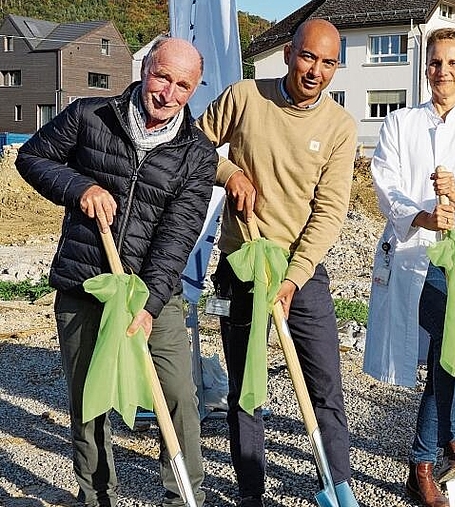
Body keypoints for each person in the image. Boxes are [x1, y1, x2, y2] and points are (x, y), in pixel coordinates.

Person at [15, 37, 216, 506]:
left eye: (182, 86)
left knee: (178, 396)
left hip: (151, 292)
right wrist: (78, 185)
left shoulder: (196, 153)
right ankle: (97, 495)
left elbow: (178, 235)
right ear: (146, 68)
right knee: (90, 400)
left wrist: (147, 305)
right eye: (162, 76)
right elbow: (31, 157)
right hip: (85, 282)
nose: (167, 93)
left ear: (193, 90)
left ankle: (185, 497)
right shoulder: (91, 115)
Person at [195, 18, 357, 507]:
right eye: (308, 57)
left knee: (324, 382)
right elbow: (194, 146)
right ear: (288, 53)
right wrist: (229, 173)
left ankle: (337, 485)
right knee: (247, 384)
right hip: (240, 265)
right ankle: (250, 493)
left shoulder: (339, 127)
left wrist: (292, 279)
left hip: (300, 272)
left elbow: (330, 211)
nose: (316, 71)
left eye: (328, 63)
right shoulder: (245, 97)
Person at [363, 28, 455, 507]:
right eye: (435, 62)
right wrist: (424, 213)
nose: (442, 72)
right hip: (416, 254)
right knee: (448, 350)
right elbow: (385, 181)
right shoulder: (400, 123)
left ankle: (442, 445)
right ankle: (426, 459)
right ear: (424, 67)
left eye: (453, 63)